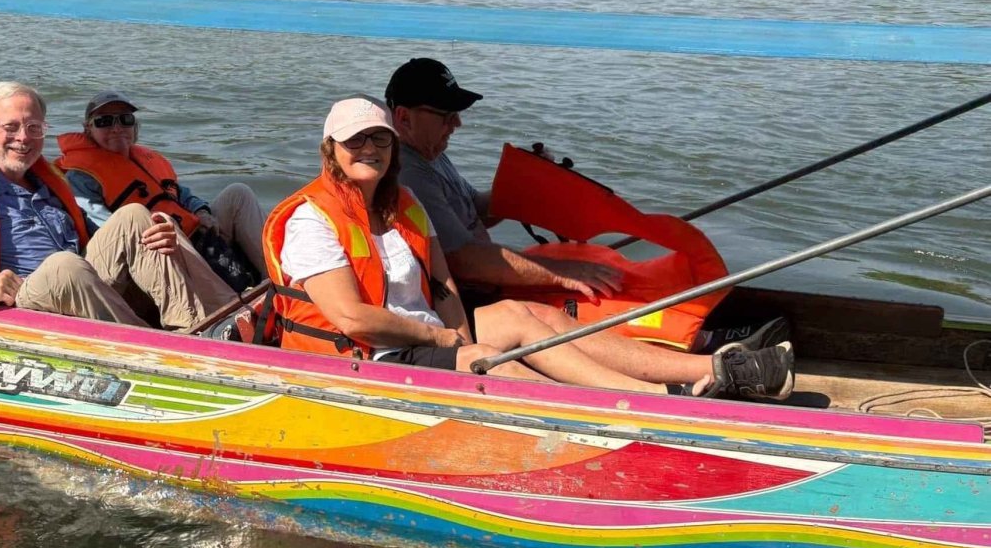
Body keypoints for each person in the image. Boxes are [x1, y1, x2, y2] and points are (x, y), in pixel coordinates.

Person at [262, 96, 793, 398]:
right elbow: (353, 319)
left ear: (392, 143)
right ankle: (650, 403)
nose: (369, 149)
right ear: (330, 150)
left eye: (378, 139)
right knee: (490, 359)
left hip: (426, 330)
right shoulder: (313, 219)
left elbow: (444, 283)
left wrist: (457, 332)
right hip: (364, 356)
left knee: (524, 315)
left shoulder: (403, 203)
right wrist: (451, 341)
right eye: (355, 141)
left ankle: (709, 371)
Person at [0, 81, 243, 332]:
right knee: (63, 266)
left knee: (137, 217)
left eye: (34, 128)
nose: (23, 138)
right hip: (20, 301)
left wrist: (161, 229)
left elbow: (110, 238)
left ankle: (216, 327)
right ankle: (155, 351)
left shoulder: (50, 184)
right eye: (11, 127)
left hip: (81, 287)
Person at [383, 58, 625, 310]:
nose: (457, 124)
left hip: (483, 282)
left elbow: (474, 211)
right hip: (460, 302)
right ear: (404, 118)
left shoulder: (430, 153)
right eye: (447, 115)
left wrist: (525, 181)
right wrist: (559, 273)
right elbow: (463, 260)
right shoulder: (408, 174)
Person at [55, 91, 266, 274]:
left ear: (134, 125)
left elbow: (180, 194)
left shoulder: (148, 161)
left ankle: (277, 279)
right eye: (104, 121)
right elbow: (106, 229)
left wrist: (202, 212)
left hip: (191, 235)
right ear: (88, 129)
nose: (116, 128)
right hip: (152, 250)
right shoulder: (81, 177)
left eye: (125, 119)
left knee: (238, 193)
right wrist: (168, 233)